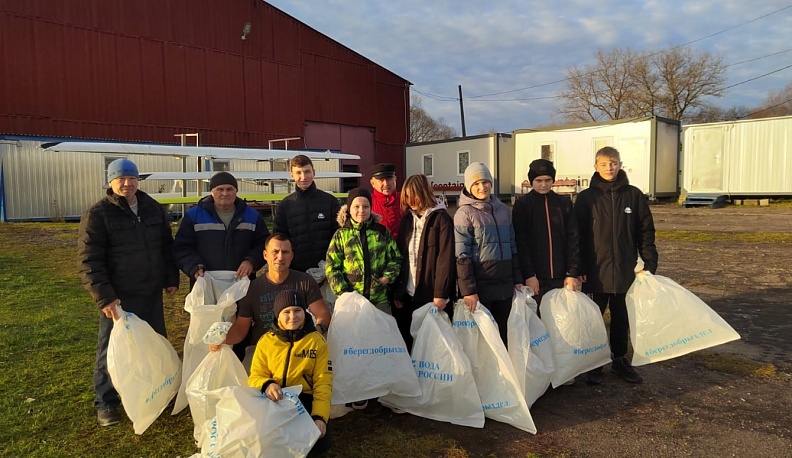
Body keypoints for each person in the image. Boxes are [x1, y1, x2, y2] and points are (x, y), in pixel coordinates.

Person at [77, 158, 180, 427]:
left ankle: (157, 391)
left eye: (132, 178)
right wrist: (105, 297)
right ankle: (106, 401)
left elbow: (165, 246)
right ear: (110, 182)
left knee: (155, 344)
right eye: (120, 179)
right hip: (118, 298)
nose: (127, 183)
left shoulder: (152, 208)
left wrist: (170, 278)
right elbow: (89, 260)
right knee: (112, 349)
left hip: (150, 291)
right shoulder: (98, 214)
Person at [574, 146, 658, 385]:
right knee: (594, 318)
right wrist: (577, 269)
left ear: (620, 164)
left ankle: (620, 360)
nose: (609, 168)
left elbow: (645, 230)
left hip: (624, 270)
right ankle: (593, 362)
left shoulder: (634, 195)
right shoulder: (586, 198)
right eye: (604, 164)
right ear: (595, 166)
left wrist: (649, 263)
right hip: (594, 271)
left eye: (613, 163)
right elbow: (576, 235)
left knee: (622, 316)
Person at [211, 233, 331, 372]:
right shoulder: (251, 289)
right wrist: (222, 340)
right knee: (249, 386)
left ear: (292, 256)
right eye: (275, 252)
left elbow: (323, 314)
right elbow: (240, 329)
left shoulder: (305, 281)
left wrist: (317, 331)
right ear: (265, 255)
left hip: (300, 349)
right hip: (262, 350)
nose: (280, 257)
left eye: (285, 252)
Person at [248, 289, 333, 454]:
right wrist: (267, 384)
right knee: (263, 441)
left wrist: (319, 416)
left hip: (304, 399)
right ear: (278, 315)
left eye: (297, 310)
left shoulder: (317, 341)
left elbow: (323, 382)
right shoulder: (266, 341)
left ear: (305, 312)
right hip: (274, 398)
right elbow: (255, 376)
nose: (293, 316)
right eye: (286, 312)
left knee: (321, 443)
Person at [454, 162, 522, 347]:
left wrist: (517, 279)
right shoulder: (464, 213)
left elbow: (512, 246)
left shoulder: (503, 210)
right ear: (468, 186)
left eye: (485, 182)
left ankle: (505, 375)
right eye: (476, 184)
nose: (481, 187)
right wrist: (469, 290)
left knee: (505, 336)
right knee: (485, 341)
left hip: (505, 285)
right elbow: (462, 255)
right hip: (482, 287)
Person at [393, 174, 456, 351]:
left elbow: (446, 259)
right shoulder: (407, 219)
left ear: (424, 193)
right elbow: (402, 257)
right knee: (408, 342)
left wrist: (441, 294)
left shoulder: (441, 219)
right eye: (407, 197)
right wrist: (399, 292)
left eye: (415, 196)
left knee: (432, 347)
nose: (411, 201)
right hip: (408, 293)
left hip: (431, 295)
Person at [173, 171, 269, 283]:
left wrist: (251, 261)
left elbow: (264, 244)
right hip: (205, 282)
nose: (225, 193)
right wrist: (194, 267)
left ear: (236, 191)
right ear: (211, 192)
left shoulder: (252, 216)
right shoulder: (194, 216)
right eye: (220, 189)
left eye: (229, 189)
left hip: (242, 283)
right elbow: (182, 248)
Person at [512, 159, 581, 310]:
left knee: (561, 321)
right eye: (538, 180)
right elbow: (520, 242)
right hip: (535, 278)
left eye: (548, 180)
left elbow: (573, 238)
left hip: (561, 276)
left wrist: (572, 272)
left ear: (553, 180)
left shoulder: (564, 203)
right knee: (537, 322)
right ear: (531, 181)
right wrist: (529, 274)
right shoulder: (522, 205)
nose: (543, 184)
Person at [325, 188, 402, 316]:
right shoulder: (341, 235)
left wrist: (387, 277)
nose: (361, 210)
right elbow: (331, 266)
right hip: (351, 301)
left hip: (379, 300)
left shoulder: (381, 232)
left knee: (383, 333)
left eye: (365, 206)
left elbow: (396, 258)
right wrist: (343, 292)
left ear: (371, 208)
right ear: (349, 209)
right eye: (356, 206)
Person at [273, 154, 341, 273]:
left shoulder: (330, 202)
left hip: (329, 271)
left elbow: (340, 236)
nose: (303, 177)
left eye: (307, 172)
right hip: (296, 272)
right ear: (292, 175)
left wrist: (332, 264)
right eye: (298, 173)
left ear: (314, 172)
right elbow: (279, 239)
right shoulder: (285, 205)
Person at [369, 163, 402, 238]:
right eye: (381, 180)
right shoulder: (367, 202)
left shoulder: (405, 199)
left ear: (395, 179)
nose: (386, 184)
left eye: (389, 179)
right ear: (372, 183)